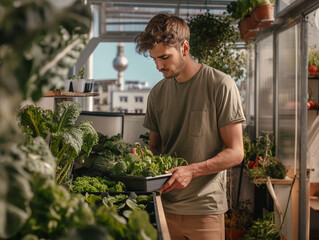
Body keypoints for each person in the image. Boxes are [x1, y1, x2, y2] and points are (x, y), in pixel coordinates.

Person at [134, 12, 245, 240]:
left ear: (184, 47)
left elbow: (236, 152)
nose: (158, 66)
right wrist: (141, 156)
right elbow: (156, 148)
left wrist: (191, 171)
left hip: (205, 210)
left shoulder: (220, 85)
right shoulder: (157, 93)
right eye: (154, 59)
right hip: (163, 205)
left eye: (164, 57)